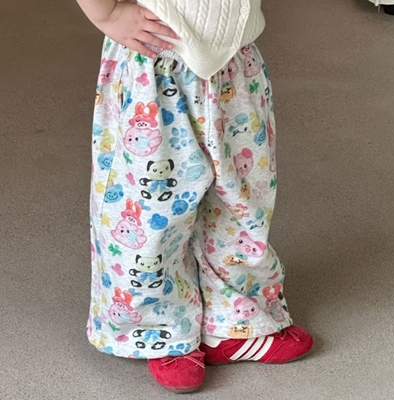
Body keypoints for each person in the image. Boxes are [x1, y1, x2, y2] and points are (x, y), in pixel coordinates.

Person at [76, 0, 314, 393]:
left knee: (242, 199)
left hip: (235, 59)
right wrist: (108, 14)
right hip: (154, 62)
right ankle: (159, 328)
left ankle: (232, 319)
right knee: (152, 212)